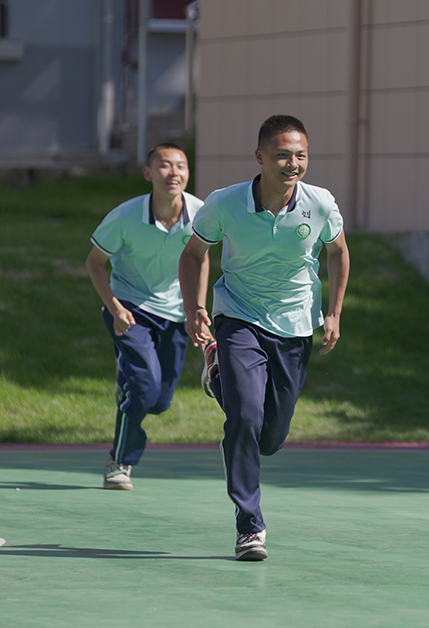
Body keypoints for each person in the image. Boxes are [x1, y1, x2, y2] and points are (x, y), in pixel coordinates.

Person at [178, 114, 350, 561]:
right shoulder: (224, 203)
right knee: (244, 420)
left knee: (270, 437)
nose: (293, 164)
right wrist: (195, 308)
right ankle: (249, 526)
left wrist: (333, 312)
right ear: (260, 157)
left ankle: (217, 376)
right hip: (238, 316)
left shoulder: (320, 203)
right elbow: (193, 253)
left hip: (295, 325)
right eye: (282, 155)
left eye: (301, 156)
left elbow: (338, 252)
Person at [85, 143, 209, 490]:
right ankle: (119, 462)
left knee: (159, 401)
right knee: (143, 389)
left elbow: (201, 259)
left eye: (181, 166)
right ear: (148, 173)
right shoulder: (124, 216)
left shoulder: (200, 213)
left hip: (175, 312)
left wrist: (196, 308)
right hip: (130, 308)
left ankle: (127, 382)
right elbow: (94, 263)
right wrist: (115, 307)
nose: (174, 173)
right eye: (165, 165)